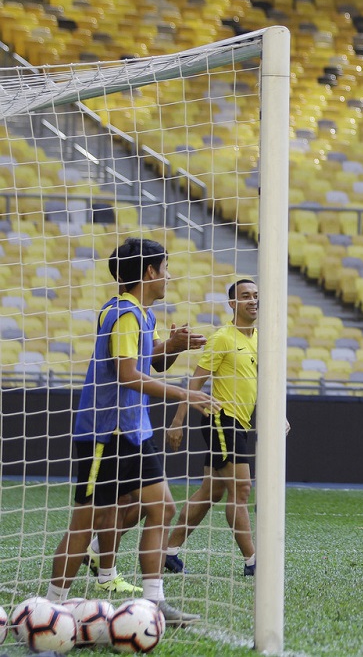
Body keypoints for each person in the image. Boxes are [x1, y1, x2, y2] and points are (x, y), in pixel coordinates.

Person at [46, 238, 220, 625]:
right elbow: (127, 374)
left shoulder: (142, 314)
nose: (169, 276)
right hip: (105, 434)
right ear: (149, 272)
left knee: (162, 506)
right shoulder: (124, 314)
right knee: (88, 522)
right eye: (166, 268)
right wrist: (183, 394)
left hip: (134, 432)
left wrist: (172, 346)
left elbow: (149, 362)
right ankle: (50, 608)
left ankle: (154, 603)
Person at [163, 278, 288, 577]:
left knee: (211, 493)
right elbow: (195, 383)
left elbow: (266, 385)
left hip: (239, 423)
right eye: (245, 296)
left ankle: (168, 552)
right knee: (242, 489)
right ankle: (253, 561)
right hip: (221, 419)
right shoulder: (222, 338)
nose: (253, 301)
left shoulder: (261, 339)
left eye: (256, 295)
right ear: (232, 304)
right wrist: (176, 423)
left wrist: (279, 414)